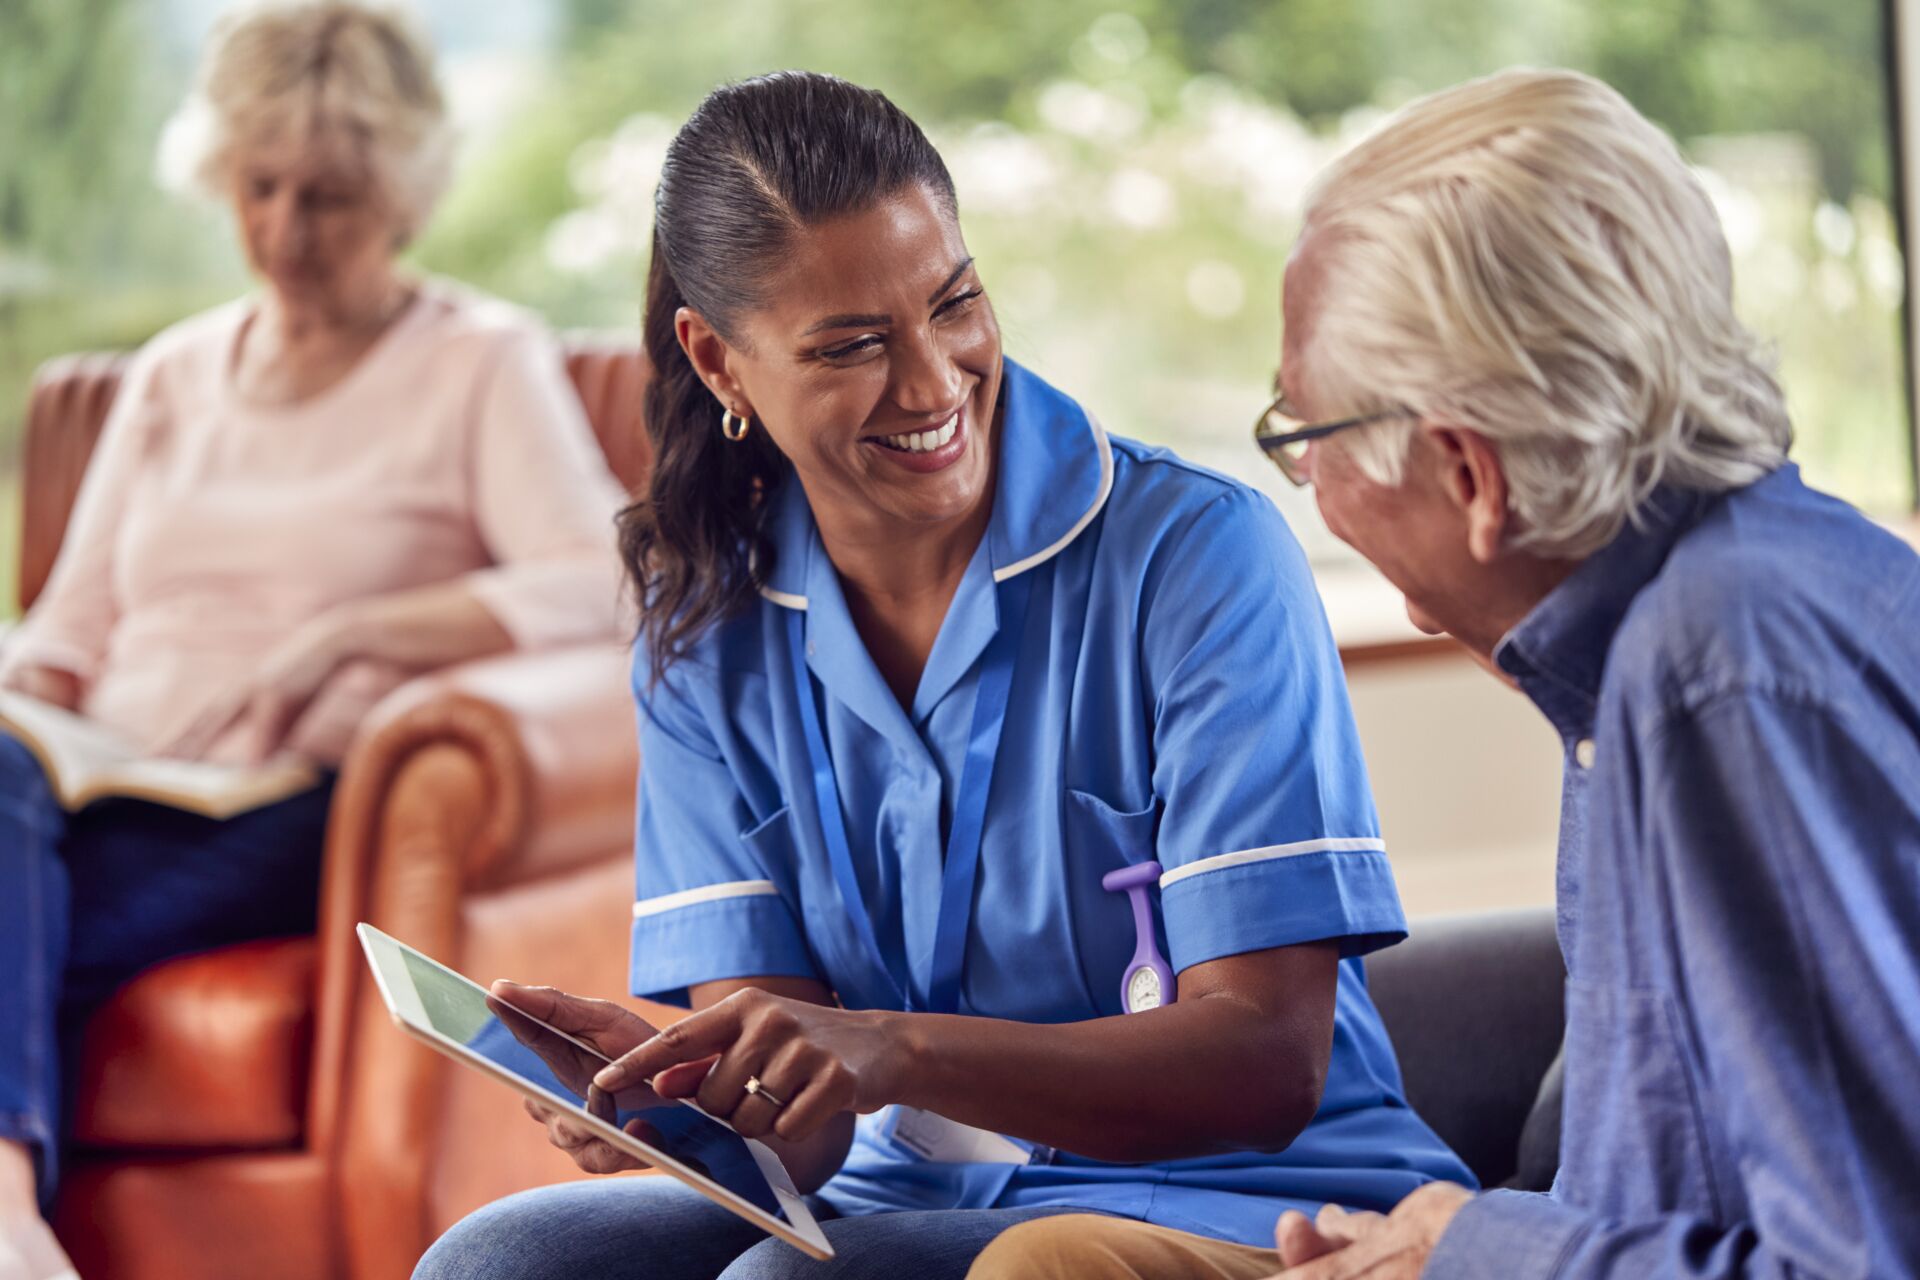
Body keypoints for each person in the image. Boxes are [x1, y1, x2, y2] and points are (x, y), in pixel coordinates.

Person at [414, 70, 1469, 1280]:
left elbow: (1267, 1065)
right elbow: (801, 1141)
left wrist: (891, 1046)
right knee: (503, 1259)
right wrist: (685, 1089)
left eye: (953, 303)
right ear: (719, 362)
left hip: (1247, 1195)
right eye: (853, 345)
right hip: (900, 1193)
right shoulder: (705, 627)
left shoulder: (1199, 559)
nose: (932, 383)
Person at [968, 66, 1920, 1280]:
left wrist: (1483, 1248)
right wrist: (1444, 1244)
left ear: (1470, 475)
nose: (1299, 486)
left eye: (1302, 435)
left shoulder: (1719, 673)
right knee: (1061, 1262)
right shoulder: (1710, 611)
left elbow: (1861, 1261)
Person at [0, 4, 626, 1275]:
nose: (285, 232)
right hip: (96, 792)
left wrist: (367, 630)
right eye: (260, 187)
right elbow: (61, 636)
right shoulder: (170, 376)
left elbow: (609, 584)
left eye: (329, 198)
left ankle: (12, 1219)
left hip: (293, 805)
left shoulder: (477, 363)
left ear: (402, 194)